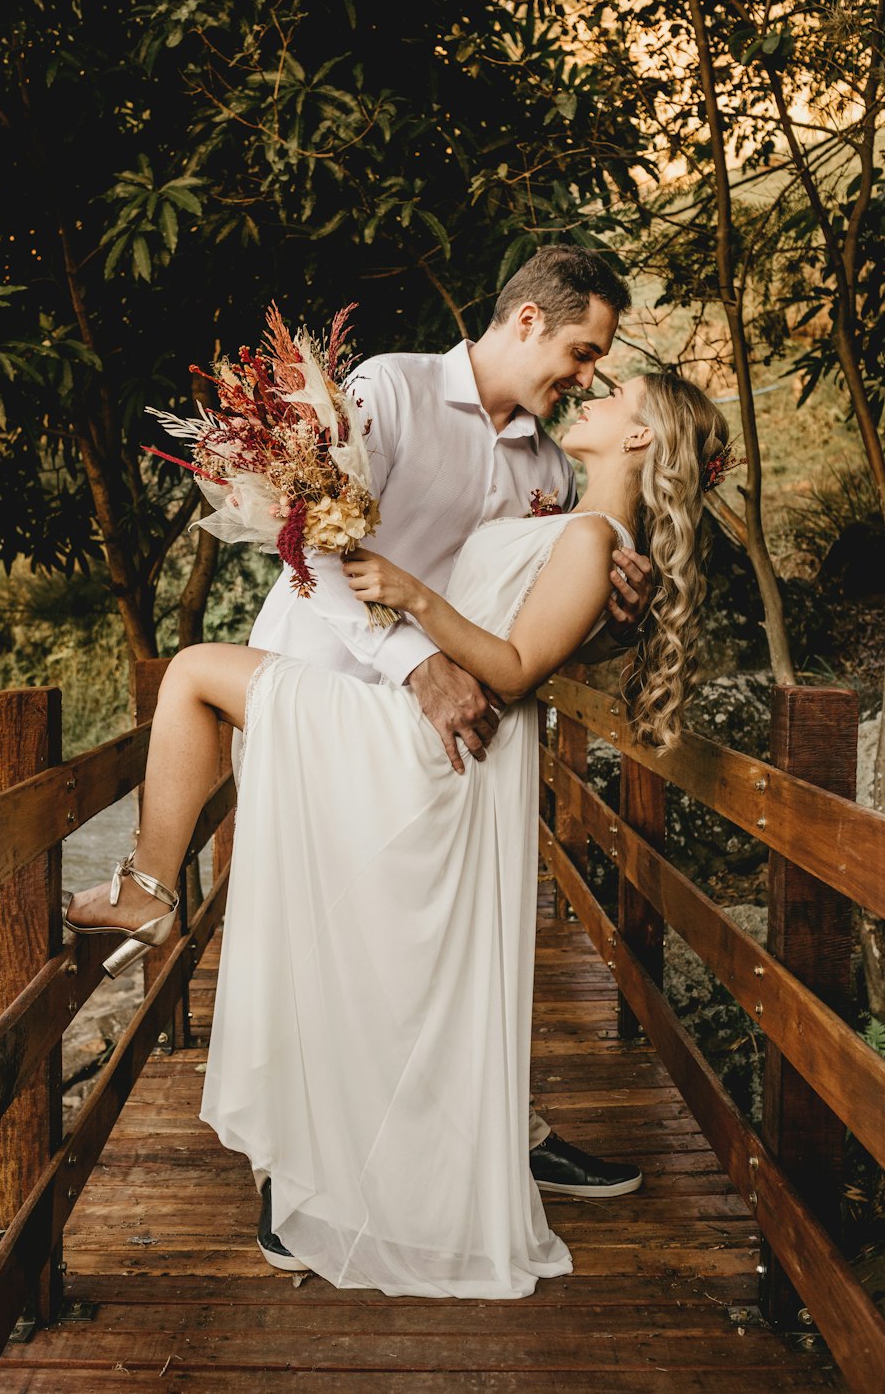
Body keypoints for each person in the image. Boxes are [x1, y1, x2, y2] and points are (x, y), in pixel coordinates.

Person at [65, 363, 729, 1299]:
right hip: (419, 731)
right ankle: (165, 909)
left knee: (193, 674)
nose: (597, 390)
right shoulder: (577, 526)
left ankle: (151, 891)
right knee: (207, 690)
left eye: (618, 394)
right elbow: (537, 617)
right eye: (594, 368)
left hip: (424, 745)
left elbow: (510, 665)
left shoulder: (590, 537)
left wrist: (413, 596)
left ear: (639, 439)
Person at [231, 248, 651, 1206]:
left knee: (429, 939)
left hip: (439, 733)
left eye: (598, 367)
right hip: (326, 684)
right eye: (583, 353)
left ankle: (503, 1132)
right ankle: (289, 1176)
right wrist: (412, 664)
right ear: (530, 322)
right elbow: (317, 545)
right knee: (318, 934)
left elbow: (524, 630)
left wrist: (608, 618)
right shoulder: (394, 390)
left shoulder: (549, 465)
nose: (588, 378)